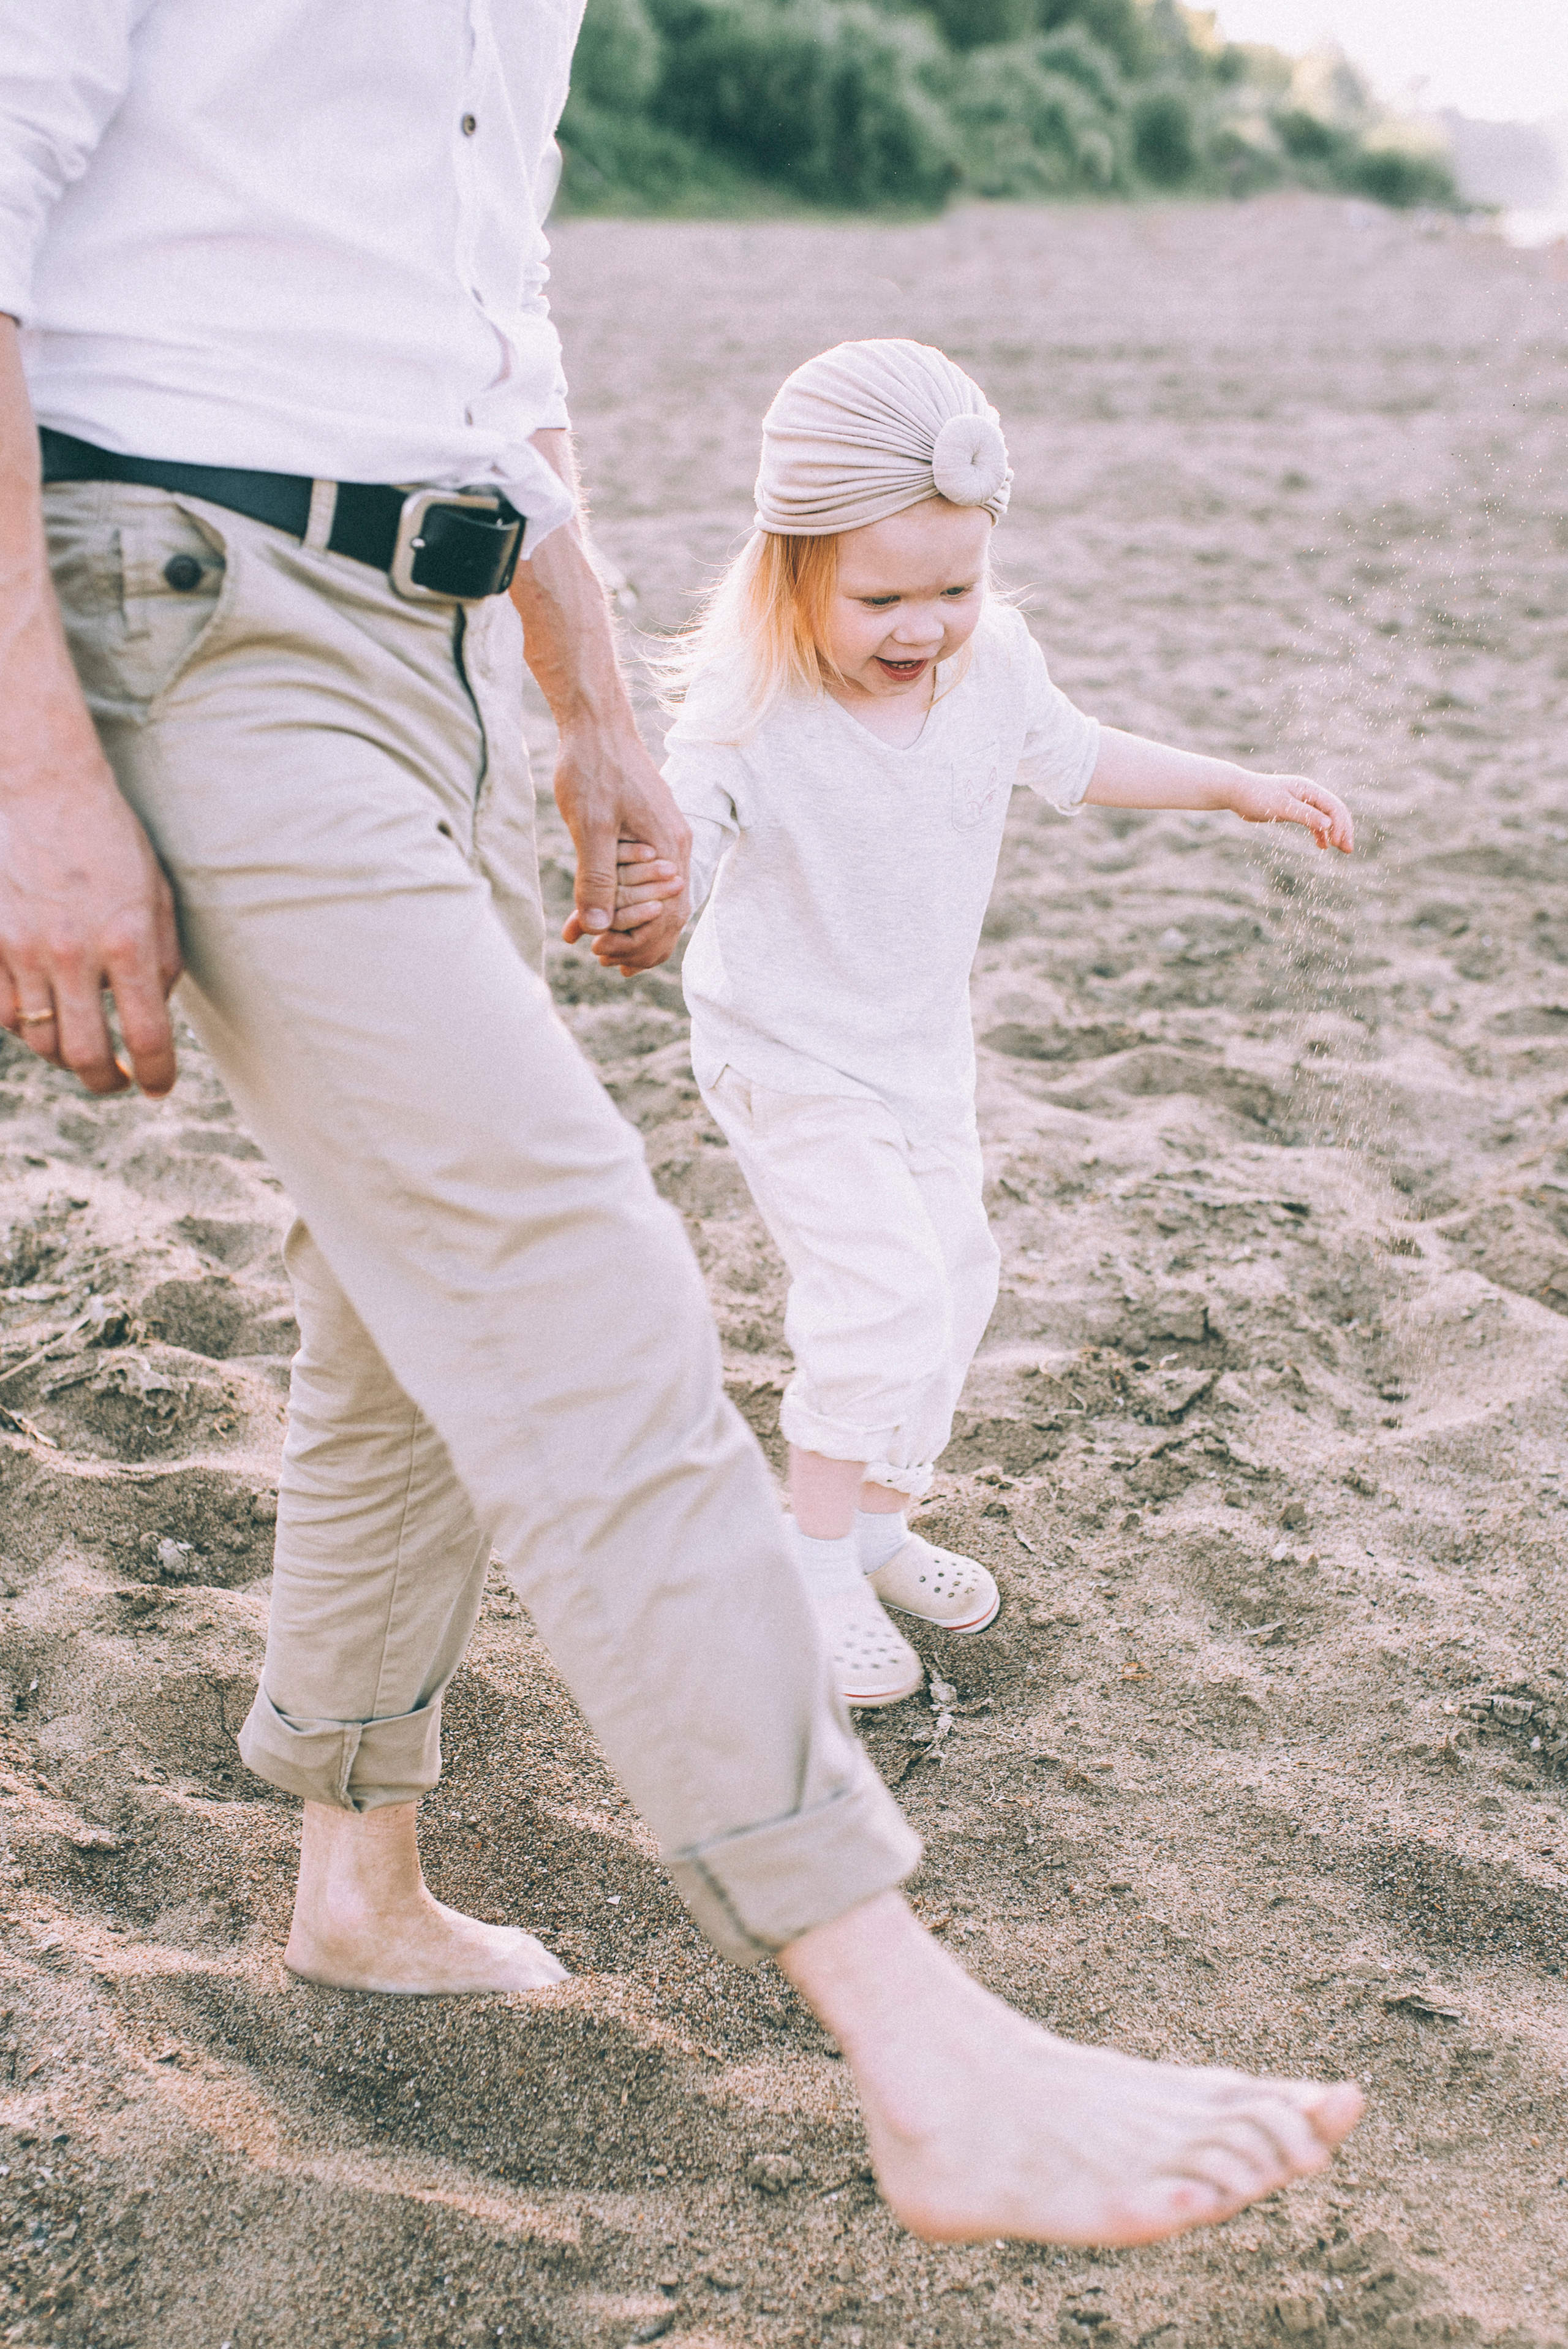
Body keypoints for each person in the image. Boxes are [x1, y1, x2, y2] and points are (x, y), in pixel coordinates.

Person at [0, 6, 1363, 2247]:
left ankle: (357, 1875)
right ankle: (924, 2041)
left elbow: (486, 304)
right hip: (177, 597)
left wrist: (584, 687)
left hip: (432, 629)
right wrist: (32, 761)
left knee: (395, 1294)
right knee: (564, 1259)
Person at [638, 339, 1354, 1706]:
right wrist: (656, 890)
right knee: (881, 1294)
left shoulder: (992, 665)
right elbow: (686, 830)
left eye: (954, 589)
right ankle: (811, 1559)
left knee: (957, 1280)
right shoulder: (748, 705)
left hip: (919, 1053)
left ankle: (878, 1527)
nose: (922, 629)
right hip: (783, 1051)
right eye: (881, 599)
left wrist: (1236, 786)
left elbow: (1079, 757)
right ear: (788, 572)